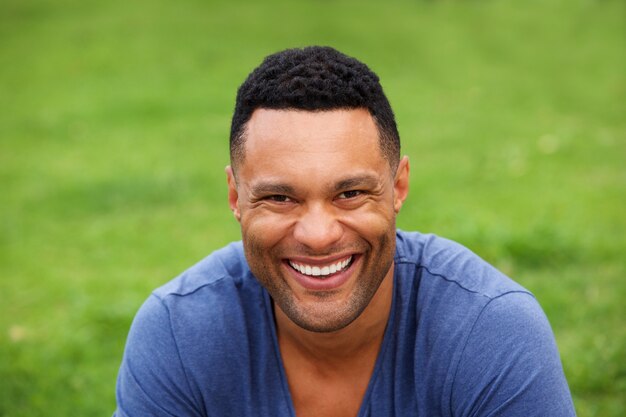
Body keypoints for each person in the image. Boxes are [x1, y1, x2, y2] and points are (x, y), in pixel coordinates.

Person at [114, 46, 576, 417]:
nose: (318, 235)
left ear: (398, 187)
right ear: (236, 198)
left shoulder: (491, 330)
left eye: (350, 193)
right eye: (280, 197)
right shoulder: (178, 333)